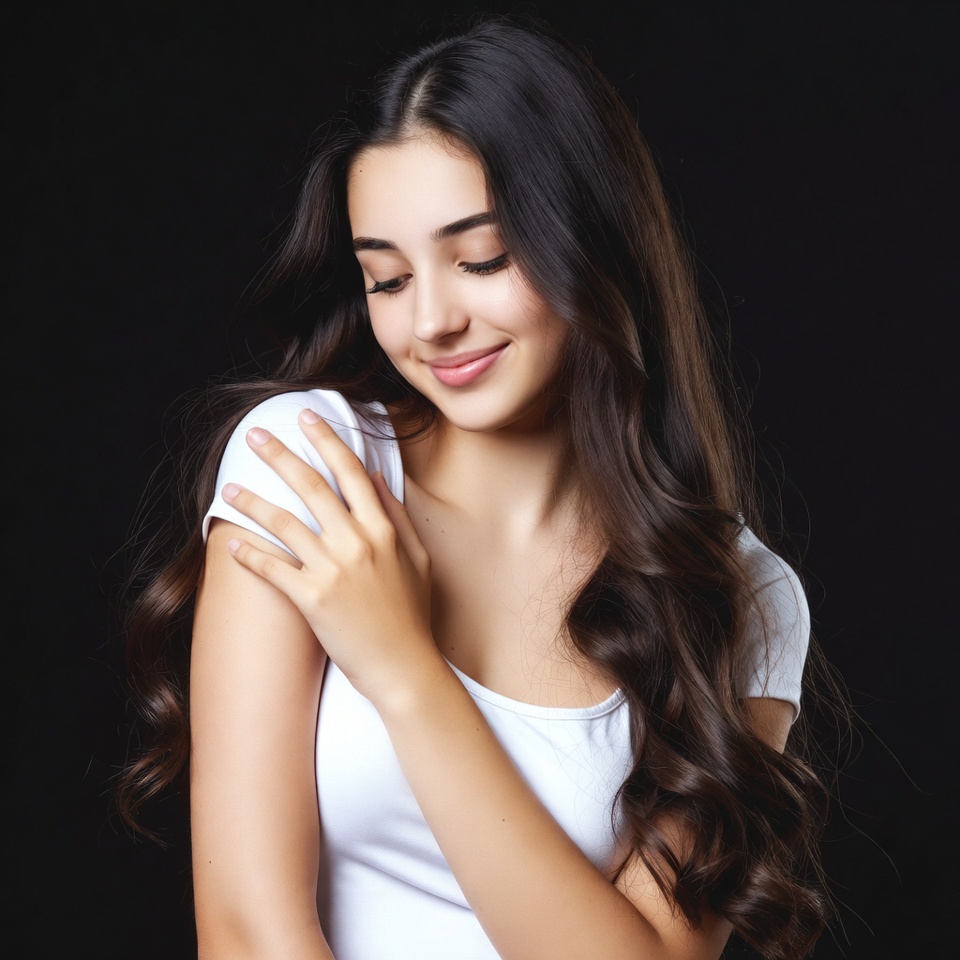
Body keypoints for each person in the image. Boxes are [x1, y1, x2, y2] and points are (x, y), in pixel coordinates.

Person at [117, 16, 836, 960]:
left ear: (594, 241)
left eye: (482, 260)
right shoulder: (314, 468)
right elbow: (249, 932)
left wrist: (404, 670)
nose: (432, 322)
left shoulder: (743, 597)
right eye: (385, 278)